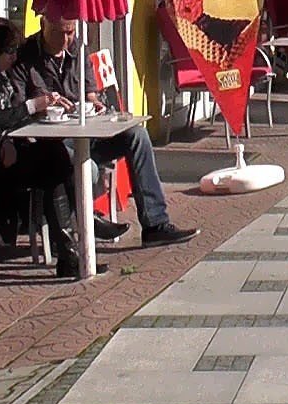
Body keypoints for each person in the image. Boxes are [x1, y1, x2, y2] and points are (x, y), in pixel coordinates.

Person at [16, 16, 199, 249]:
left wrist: (97, 104)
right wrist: (43, 105)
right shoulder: (26, 57)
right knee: (86, 167)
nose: (65, 40)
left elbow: (91, 94)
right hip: (52, 143)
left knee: (137, 135)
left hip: (86, 132)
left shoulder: (78, 50)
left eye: (70, 32)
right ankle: (87, 219)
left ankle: (155, 224)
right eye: (58, 33)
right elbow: (20, 107)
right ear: (43, 24)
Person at [0, 18, 93, 278]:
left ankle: (69, 248)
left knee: (54, 157)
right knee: (53, 160)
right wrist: (32, 108)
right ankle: (69, 249)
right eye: (10, 52)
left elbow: (2, 116)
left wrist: (9, 138)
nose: (15, 58)